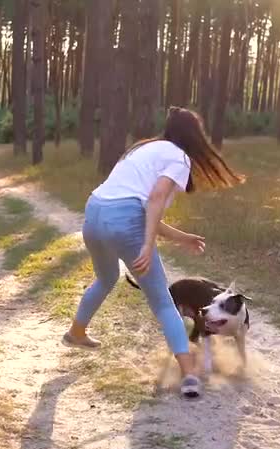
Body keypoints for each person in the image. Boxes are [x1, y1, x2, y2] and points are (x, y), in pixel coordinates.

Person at [62, 106, 245, 398]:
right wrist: (147, 245)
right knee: (162, 302)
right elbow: (154, 200)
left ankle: (76, 333)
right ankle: (189, 375)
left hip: (94, 215)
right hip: (123, 221)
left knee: (106, 277)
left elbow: (140, 207)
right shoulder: (179, 156)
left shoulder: (145, 148)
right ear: (194, 136)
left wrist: (182, 238)